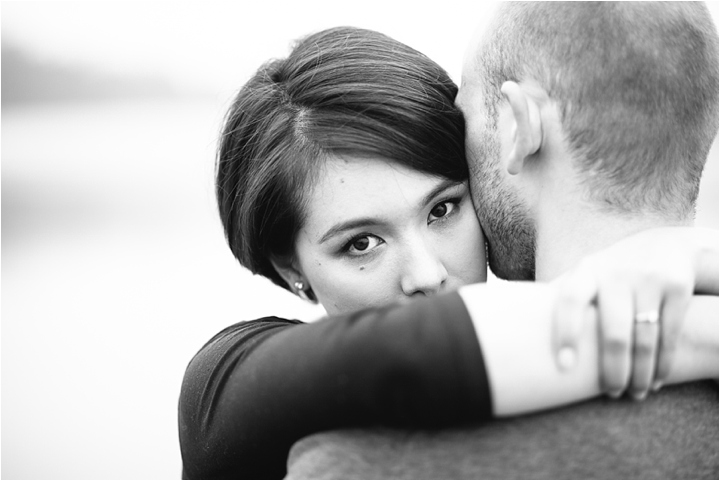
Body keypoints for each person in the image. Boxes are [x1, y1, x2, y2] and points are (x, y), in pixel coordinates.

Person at [178, 24, 718, 480]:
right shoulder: (230, 398)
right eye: (361, 244)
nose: (427, 274)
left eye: (443, 210)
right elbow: (410, 357)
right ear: (290, 265)